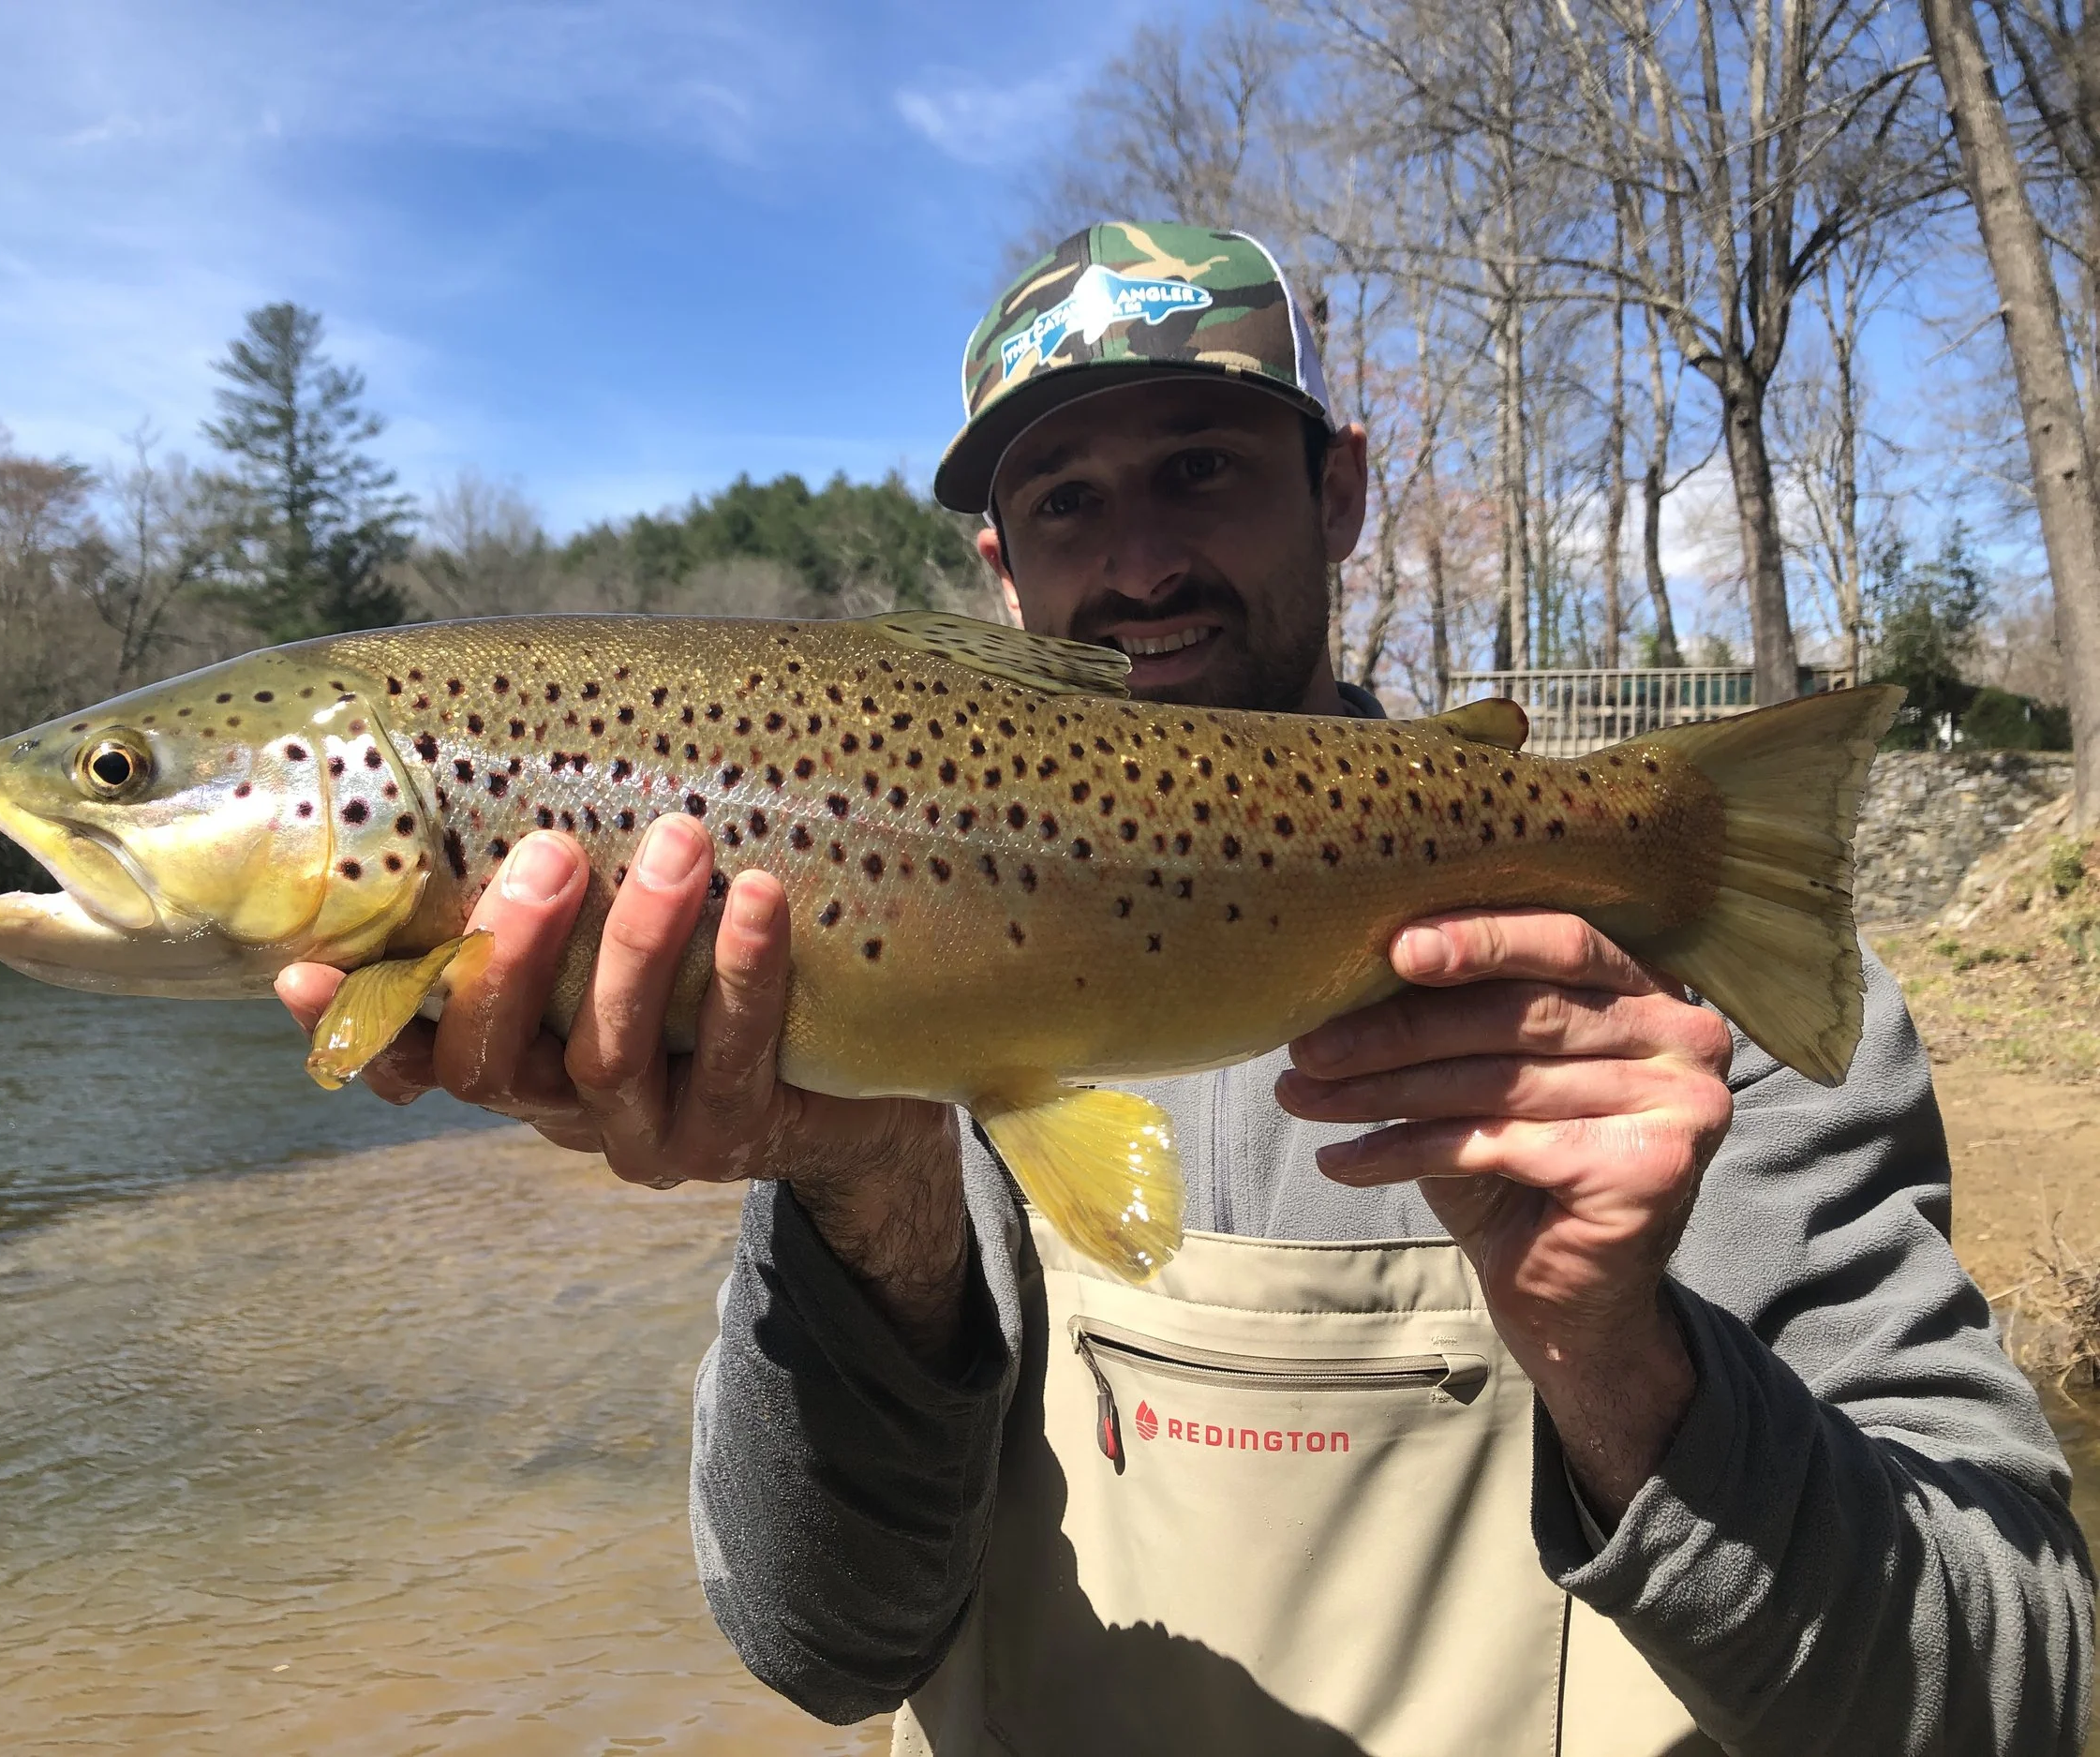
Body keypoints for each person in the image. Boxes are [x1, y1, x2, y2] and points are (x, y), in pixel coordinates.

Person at [277, 222, 2094, 1754]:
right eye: (1064, 500)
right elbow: (820, 1645)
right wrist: (858, 1186)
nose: (1135, 559)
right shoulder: (883, 960)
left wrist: (1625, 1362)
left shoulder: (1667, 986)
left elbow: (2018, 1687)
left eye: (1200, 468)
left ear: (1341, 491)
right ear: (996, 574)